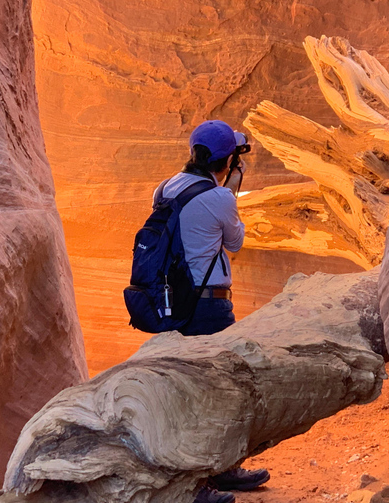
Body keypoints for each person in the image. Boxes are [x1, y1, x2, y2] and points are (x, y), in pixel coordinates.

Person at [155, 120, 270, 503]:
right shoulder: (220, 197)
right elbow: (234, 242)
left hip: (172, 304)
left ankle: (219, 473)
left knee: (187, 390)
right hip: (209, 307)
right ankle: (201, 484)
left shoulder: (165, 188)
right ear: (227, 161)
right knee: (218, 389)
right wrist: (231, 192)